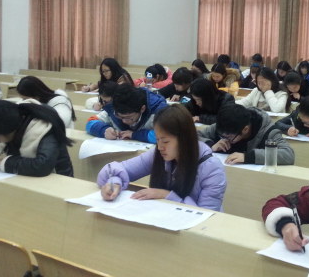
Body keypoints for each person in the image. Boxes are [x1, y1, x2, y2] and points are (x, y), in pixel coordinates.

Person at [97, 105, 227, 211]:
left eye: (165, 141)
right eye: (157, 140)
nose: (159, 147)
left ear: (184, 139)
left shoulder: (212, 169)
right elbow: (118, 169)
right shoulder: (158, 154)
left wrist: (166, 195)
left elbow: (207, 216)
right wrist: (115, 183)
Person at [0, 100, 74, 177]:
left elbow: (42, 165)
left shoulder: (44, 128)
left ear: (5, 129)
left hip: (58, 180)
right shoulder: (12, 119)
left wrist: (5, 162)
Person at [198, 104, 294, 165]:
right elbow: (195, 137)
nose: (225, 139)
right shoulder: (224, 125)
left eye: (229, 138)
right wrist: (210, 145)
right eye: (222, 136)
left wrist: (248, 157)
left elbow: (288, 155)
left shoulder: (268, 131)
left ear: (245, 129)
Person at [86, 85, 167, 143]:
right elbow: (90, 122)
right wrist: (104, 130)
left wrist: (134, 135)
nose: (124, 121)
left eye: (128, 117)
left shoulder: (158, 112)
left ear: (142, 109)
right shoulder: (114, 108)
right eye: (120, 117)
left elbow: (165, 135)